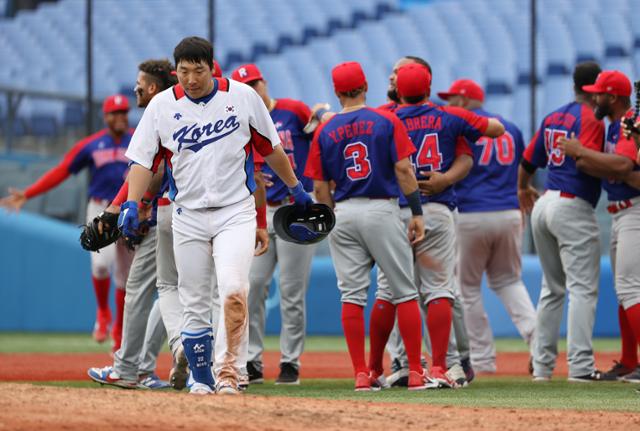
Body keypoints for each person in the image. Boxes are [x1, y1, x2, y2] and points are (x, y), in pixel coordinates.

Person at [119, 36, 310, 395]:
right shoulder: (161, 105)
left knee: (234, 290)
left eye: (198, 70)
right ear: (176, 71)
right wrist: (131, 202)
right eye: (184, 71)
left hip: (234, 211)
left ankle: (229, 373)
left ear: (211, 67)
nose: (191, 79)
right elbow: (143, 160)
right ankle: (201, 378)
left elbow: (271, 149)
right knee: (193, 302)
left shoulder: (242, 97)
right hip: (187, 214)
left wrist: (296, 188)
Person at [377, 65, 505, 388]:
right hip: (435, 210)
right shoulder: (448, 115)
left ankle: (381, 369)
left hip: (396, 211)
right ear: (429, 85)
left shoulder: (384, 118)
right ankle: (441, 367)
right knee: (439, 290)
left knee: (392, 292)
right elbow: (496, 129)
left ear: (397, 90)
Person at [305, 61, 428, 391]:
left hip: (343, 210)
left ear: (336, 92)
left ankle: (362, 373)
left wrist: (331, 216)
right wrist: (416, 212)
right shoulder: (385, 120)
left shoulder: (325, 130)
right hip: (380, 208)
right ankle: (415, 371)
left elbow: (319, 187)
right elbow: (403, 169)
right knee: (404, 291)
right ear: (365, 87)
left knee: (352, 296)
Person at [0, 94, 135, 351]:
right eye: (115, 113)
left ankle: (119, 333)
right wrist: (28, 193)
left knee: (125, 277)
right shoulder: (92, 145)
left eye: (124, 112)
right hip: (100, 207)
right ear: (105, 117)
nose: (120, 117)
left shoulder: (137, 140)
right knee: (101, 265)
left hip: (127, 208)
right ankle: (104, 312)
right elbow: (62, 171)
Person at [87, 59, 178, 389]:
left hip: (166, 214)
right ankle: (147, 366)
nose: (136, 88)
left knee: (141, 290)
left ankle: (128, 369)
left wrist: (126, 208)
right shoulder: (191, 110)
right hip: (207, 217)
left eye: (140, 83)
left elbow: (149, 171)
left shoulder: (158, 114)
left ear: (153, 87)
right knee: (175, 291)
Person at [440, 79, 537, 373]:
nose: (450, 104)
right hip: (509, 213)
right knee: (509, 281)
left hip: (471, 214)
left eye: (454, 98)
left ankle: (482, 360)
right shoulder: (512, 128)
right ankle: (539, 343)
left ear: (467, 99)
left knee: (466, 288)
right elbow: (523, 167)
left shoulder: (462, 126)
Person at [518, 61, 606, 382]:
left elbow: (528, 159)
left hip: (545, 203)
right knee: (582, 290)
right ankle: (581, 367)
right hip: (571, 204)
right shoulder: (590, 119)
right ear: (595, 90)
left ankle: (541, 368)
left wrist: (521, 187)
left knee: (551, 290)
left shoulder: (554, 115)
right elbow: (586, 161)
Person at [231, 63, 316, 385]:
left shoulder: (292, 111)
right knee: (252, 289)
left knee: (293, 292)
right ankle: (251, 359)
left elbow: (320, 134)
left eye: (255, 83)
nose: (253, 90)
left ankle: (290, 361)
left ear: (265, 82)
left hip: (297, 210)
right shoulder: (240, 122)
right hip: (259, 215)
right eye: (246, 86)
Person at [558, 70, 640, 382]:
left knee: (631, 287)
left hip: (635, 211)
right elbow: (606, 167)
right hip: (622, 211)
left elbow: (622, 165)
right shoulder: (613, 126)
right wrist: (586, 158)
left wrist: (582, 152)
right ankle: (631, 362)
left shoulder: (628, 122)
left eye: (599, 93)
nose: (594, 97)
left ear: (614, 97)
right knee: (626, 290)